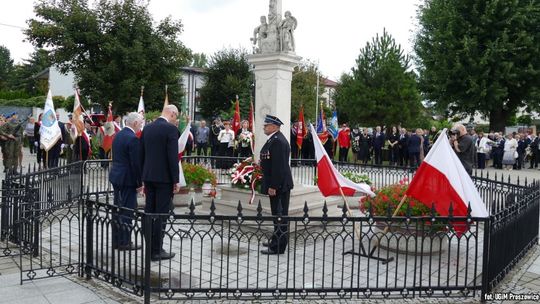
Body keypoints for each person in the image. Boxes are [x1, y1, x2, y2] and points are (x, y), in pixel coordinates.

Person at [140, 105, 179, 261]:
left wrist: (143, 176)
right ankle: (156, 250)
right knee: (161, 215)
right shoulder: (170, 130)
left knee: (149, 213)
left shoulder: (147, 128)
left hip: (149, 177)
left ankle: (149, 247)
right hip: (164, 179)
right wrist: (175, 180)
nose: (176, 120)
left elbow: (141, 154)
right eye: (176, 117)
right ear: (172, 114)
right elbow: (172, 157)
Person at [109, 113, 144, 251]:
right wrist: (139, 183)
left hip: (116, 176)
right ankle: (125, 242)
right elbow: (136, 164)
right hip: (127, 179)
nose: (141, 126)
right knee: (127, 211)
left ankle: (117, 240)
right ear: (135, 123)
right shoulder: (132, 138)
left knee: (118, 209)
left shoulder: (119, 135)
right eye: (140, 123)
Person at [259, 114, 293, 255]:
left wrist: (273, 186)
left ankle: (278, 247)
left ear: (274, 127)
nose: (264, 127)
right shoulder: (273, 139)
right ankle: (276, 239)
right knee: (277, 216)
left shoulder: (278, 141)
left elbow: (278, 167)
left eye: (266, 125)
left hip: (279, 186)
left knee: (279, 216)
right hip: (278, 184)